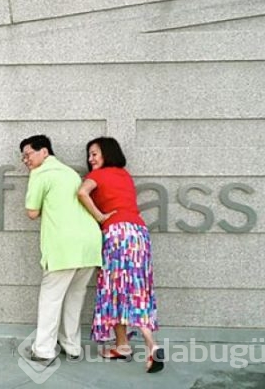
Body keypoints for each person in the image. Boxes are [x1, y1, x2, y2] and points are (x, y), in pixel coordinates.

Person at [77, 136, 165, 373]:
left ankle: (150, 345)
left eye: (94, 153)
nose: (90, 159)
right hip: (139, 233)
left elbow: (82, 193)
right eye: (89, 154)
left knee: (115, 288)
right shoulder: (124, 175)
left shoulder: (96, 176)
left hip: (117, 233)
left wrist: (99, 216)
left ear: (107, 153)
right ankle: (123, 345)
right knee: (136, 288)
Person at [19, 135, 102, 365]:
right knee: (75, 295)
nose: (26, 160)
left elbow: (32, 212)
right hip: (89, 244)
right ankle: (72, 346)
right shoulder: (70, 173)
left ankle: (44, 349)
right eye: (23, 156)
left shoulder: (40, 173)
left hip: (64, 246)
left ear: (44, 152)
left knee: (51, 297)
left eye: (29, 154)